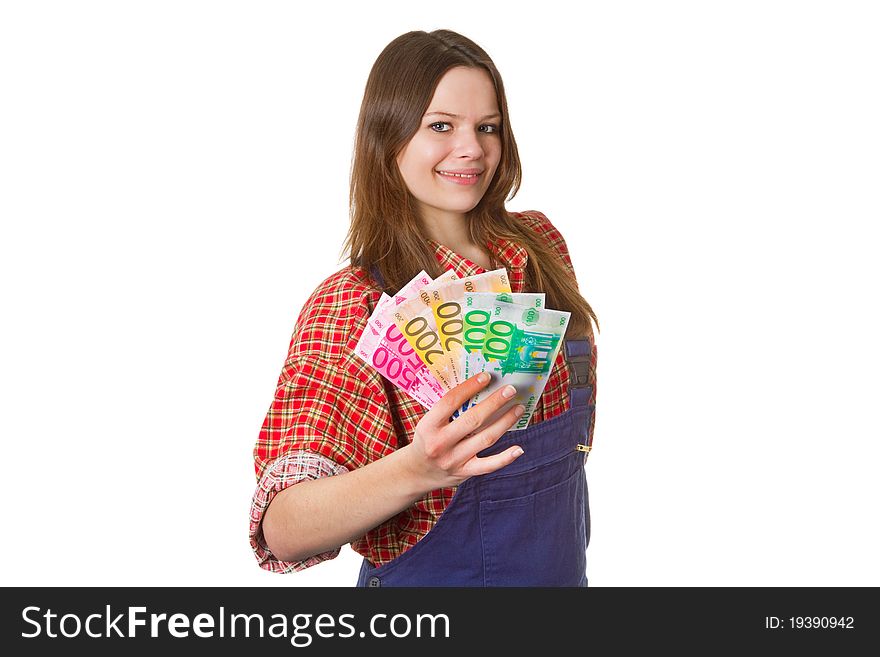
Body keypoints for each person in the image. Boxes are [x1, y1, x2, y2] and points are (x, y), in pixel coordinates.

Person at [249, 29, 599, 586]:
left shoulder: (540, 248)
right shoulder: (354, 305)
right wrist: (417, 469)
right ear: (387, 139)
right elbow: (282, 529)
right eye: (441, 126)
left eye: (487, 127)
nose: (472, 149)